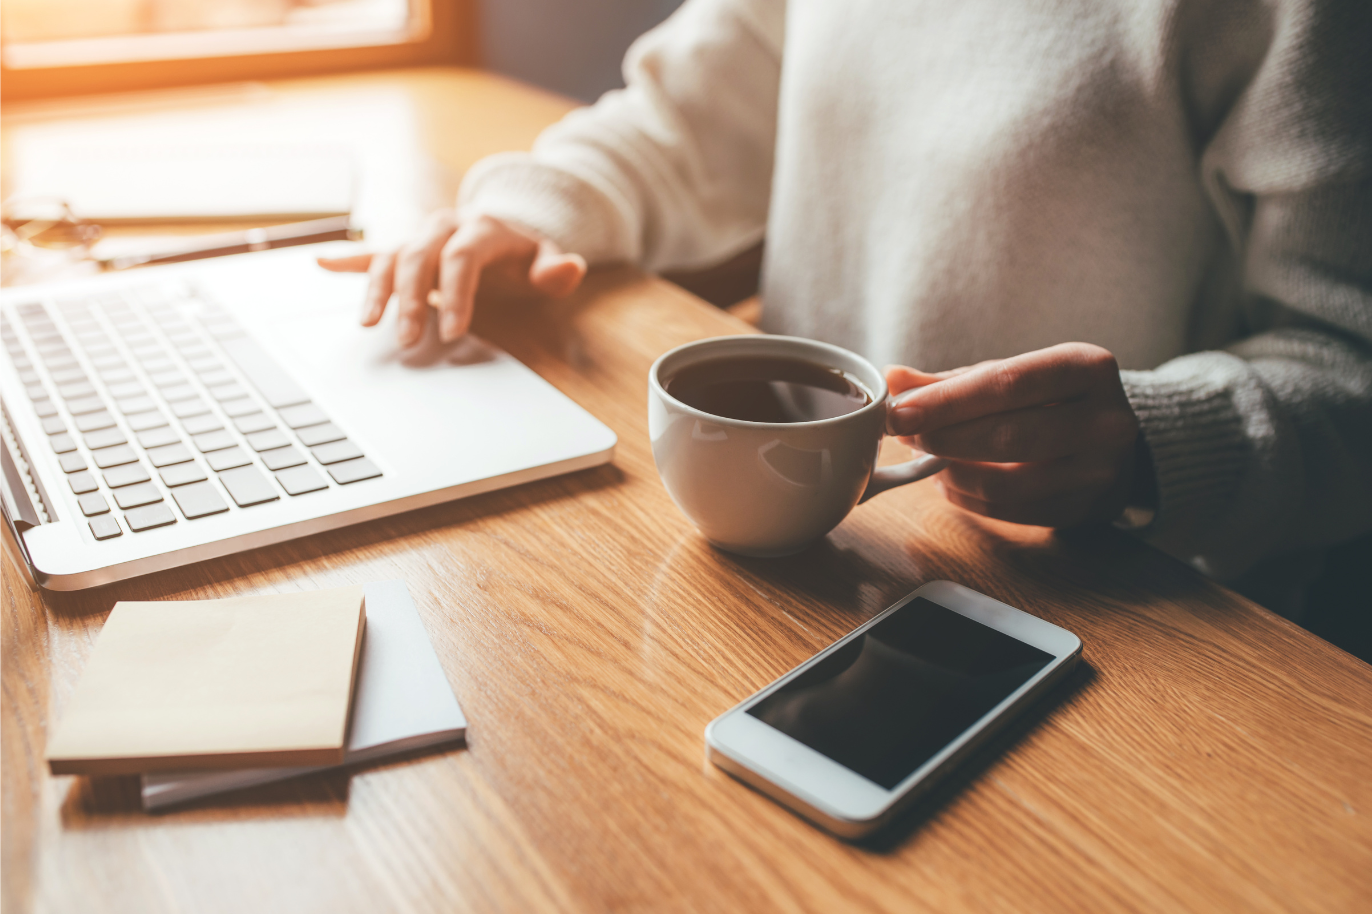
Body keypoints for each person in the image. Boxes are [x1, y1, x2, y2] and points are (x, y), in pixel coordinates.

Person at [320, 0, 1372, 621]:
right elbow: (683, 119)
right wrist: (530, 208)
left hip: (1107, 608)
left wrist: (1156, 443)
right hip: (815, 571)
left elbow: (1348, 368)